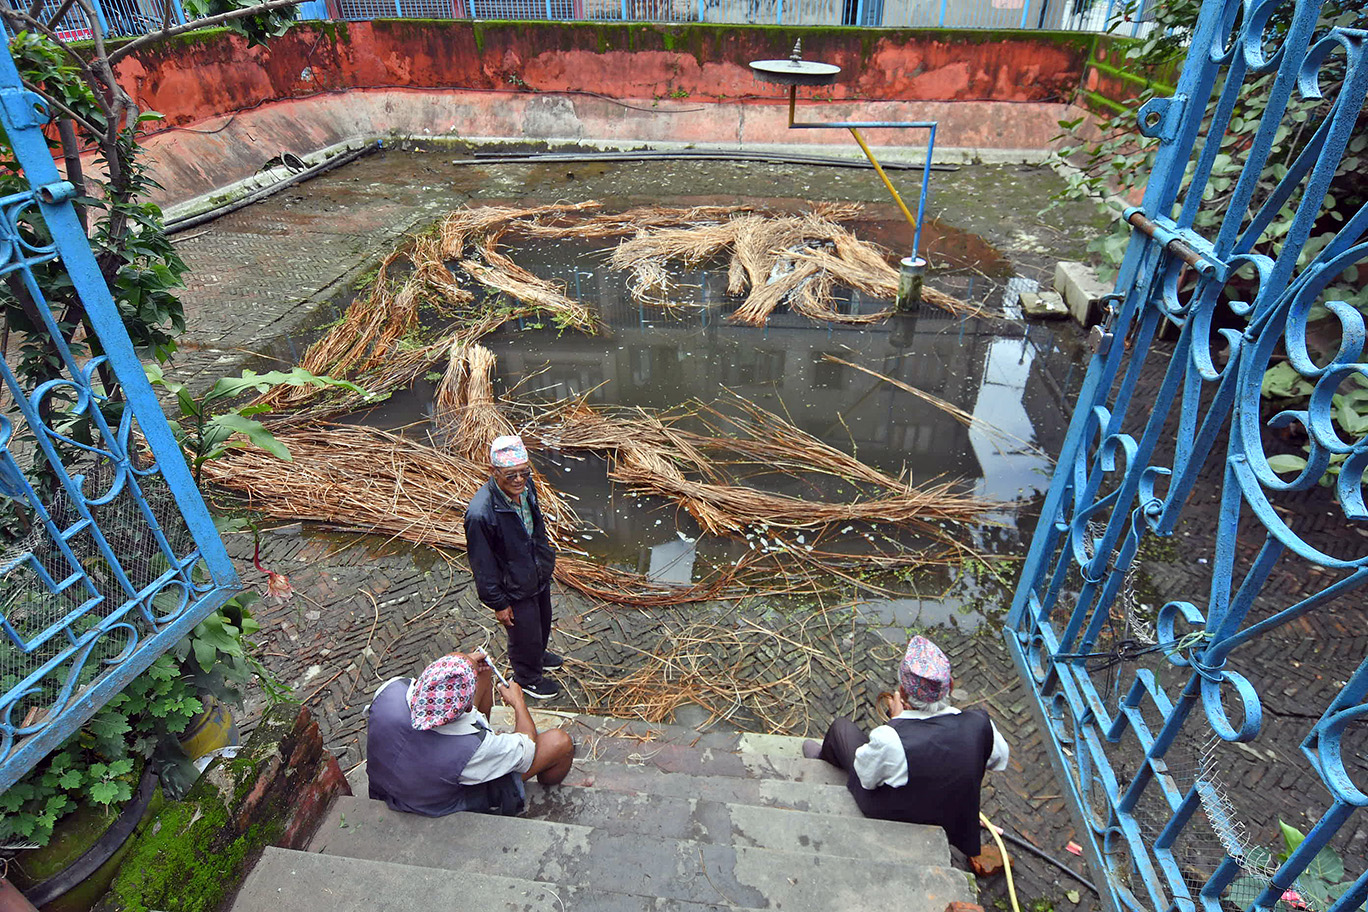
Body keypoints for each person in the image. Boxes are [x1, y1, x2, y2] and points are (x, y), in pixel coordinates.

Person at [805, 635, 1009, 857]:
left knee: (841, 729)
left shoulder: (892, 738)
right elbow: (998, 758)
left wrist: (896, 722)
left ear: (902, 693)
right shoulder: (980, 725)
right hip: (951, 815)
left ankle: (820, 759)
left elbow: (867, 777)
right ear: (949, 686)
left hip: (896, 813)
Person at [365, 650, 575, 817]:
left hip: (388, 786)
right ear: (466, 709)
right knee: (560, 742)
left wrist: (464, 662)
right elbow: (527, 745)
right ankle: (545, 786)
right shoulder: (471, 750)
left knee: (484, 673)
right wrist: (518, 703)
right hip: (432, 804)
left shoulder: (391, 689)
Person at [464, 435, 563, 699]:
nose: (519, 480)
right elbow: (482, 564)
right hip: (513, 585)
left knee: (541, 622)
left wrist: (545, 559)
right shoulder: (480, 514)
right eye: (511, 475)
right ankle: (527, 678)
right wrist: (498, 603)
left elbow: (536, 529)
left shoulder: (527, 489)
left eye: (524, 473)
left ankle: (537, 656)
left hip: (535, 572)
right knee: (524, 634)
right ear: (493, 472)